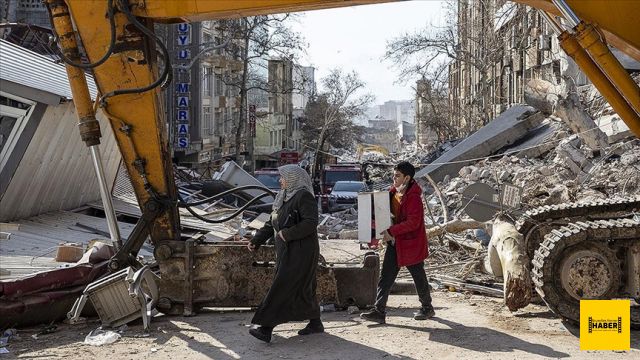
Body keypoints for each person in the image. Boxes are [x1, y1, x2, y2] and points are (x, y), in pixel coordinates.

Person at [246, 164, 324, 343]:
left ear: (293, 179)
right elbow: (272, 222)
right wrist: (256, 240)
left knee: (282, 287)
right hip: (286, 251)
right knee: (304, 288)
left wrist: (287, 234)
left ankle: (266, 328)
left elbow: (310, 223)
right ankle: (315, 322)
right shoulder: (283, 197)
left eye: (283, 177)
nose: (280, 180)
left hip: (301, 252)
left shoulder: (303, 196)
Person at [360, 161, 434, 324]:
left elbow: (413, 222)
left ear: (407, 178)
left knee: (418, 276)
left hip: (410, 244)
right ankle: (379, 311)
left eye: (398, 176)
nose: (394, 178)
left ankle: (427, 308)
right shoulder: (393, 192)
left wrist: (391, 231)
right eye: (394, 175)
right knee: (386, 277)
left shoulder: (413, 197)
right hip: (395, 243)